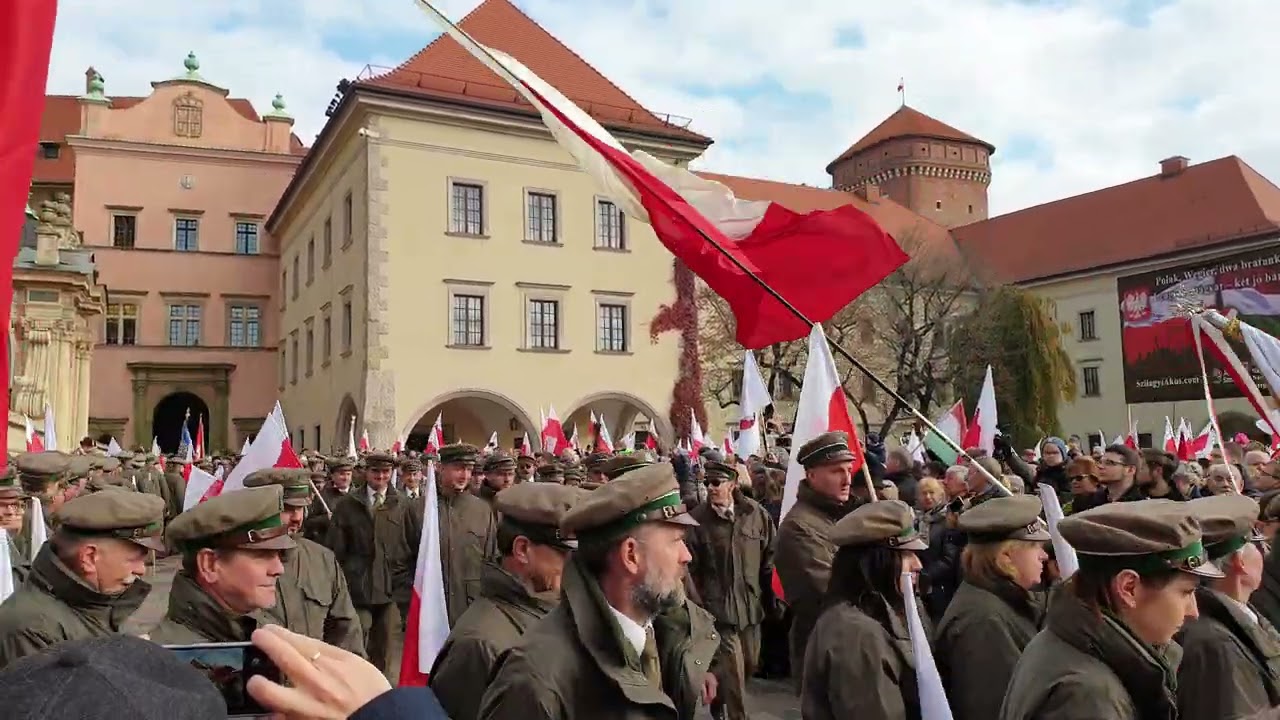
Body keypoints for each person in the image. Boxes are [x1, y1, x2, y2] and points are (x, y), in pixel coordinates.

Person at [477, 462, 719, 719]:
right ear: (631, 555)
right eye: (676, 541)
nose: (687, 556)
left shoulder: (666, 634)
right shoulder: (536, 681)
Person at [1000, 499, 1224, 720]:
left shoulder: (1068, 644)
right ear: (1129, 587)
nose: (1193, 611)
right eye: (1185, 592)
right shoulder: (1086, 696)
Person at [429, 482, 586, 720]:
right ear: (522, 549)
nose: (577, 567)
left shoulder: (562, 610)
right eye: (567, 554)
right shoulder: (478, 644)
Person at [0, 488, 163, 667]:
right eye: (133, 559)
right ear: (89, 558)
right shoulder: (29, 628)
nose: (141, 570)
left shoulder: (91, 601)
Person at [800, 500, 927, 720]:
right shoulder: (857, 635)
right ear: (877, 562)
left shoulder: (877, 615)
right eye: (907, 554)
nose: (918, 564)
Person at [934, 495, 1050, 720]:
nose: (1043, 555)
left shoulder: (1000, 600)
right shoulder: (983, 622)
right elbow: (994, 708)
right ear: (1006, 557)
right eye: (1035, 546)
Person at [685, 459, 778, 720]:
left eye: (716, 483)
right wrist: (698, 609)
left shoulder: (755, 514)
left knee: (748, 666)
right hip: (718, 614)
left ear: (733, 484)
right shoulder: (697, 521)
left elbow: (771, 557)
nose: (711, 488)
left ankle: (719, 703)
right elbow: (689, 571)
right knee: (734, 676)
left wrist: (773, 600)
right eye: (707, 483)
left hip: (751, 610)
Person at [150, 485, 296, 644]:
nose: (279, 569)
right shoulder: (166, 657)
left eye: (279, 555)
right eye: (262, 555)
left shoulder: (263, 625)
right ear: (209, 565)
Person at [1177, 494, 1280, 717]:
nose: (1264, 553)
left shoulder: (1236, 614)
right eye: (1257, 546)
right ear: (1239, 562)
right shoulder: (1214, 643)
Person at [246, 468, 364, 656]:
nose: (297, 518)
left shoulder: (321, 559)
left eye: (300, 508)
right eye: (287, 508)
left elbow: (347, 632)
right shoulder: (236, 563)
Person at [773, 430, 859, 690]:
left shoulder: (845, 515)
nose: (846, 479)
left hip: (851, 646)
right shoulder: (800, 527)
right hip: (827, 651)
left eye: (848, 469)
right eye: (836, 471)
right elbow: (831, 592)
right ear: (811, 475)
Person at [326, 452, 419, 673]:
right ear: (366, 472)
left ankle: (383, 696)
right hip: (358, 589)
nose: (380, 476)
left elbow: (414, 547)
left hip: (392, 591)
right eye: (375, 471)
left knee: (386, 651)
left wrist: (407, 586)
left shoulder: (404, 506)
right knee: (356, 645)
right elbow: (335, 550)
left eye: (385, 471)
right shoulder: (348, 505)